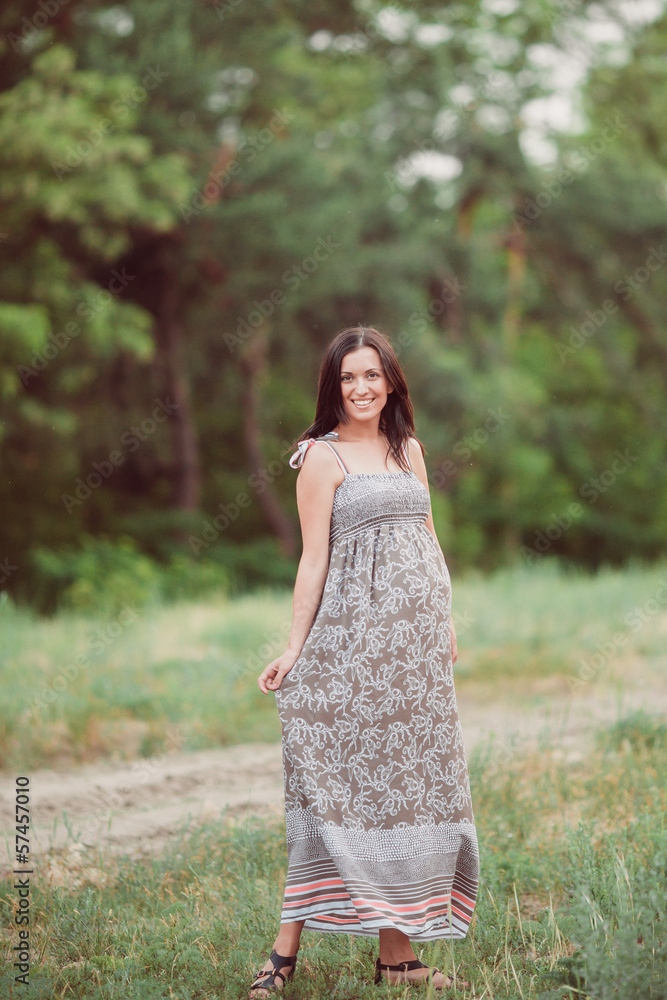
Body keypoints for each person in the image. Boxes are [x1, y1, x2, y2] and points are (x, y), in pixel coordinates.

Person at [248, 326, 478, 996]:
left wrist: (444, 617)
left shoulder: (409, 449)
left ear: (391, 381)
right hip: (354, 649)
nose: (360, 387)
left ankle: (397, 959)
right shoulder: (320, 458)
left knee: (405, 789)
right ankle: (283, 953)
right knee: (334, 791)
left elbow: (428, 538)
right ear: (333, 386)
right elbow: (312, 560)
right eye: (348, 377)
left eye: (371, 374)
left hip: (416, 656)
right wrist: (295, 646)